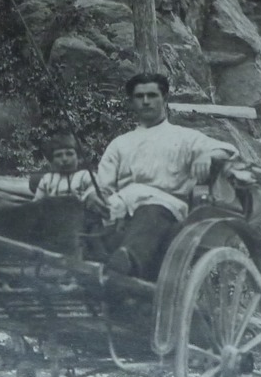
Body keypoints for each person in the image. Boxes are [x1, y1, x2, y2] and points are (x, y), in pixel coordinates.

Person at [95, 72, 239, 281]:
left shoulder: (184, 137)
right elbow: (103, 186)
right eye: (139, 96)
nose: (146, 101)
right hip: (121, 210)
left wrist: (206, 155)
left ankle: (127, 263)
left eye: (152, 95)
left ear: (164, 98)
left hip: (164, 210)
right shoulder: (120, 143)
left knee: (150, 211)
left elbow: (227, 150)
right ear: (131, 102)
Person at [28, 132, 100, 202]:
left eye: (69, 154)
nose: (64, 159)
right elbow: (37, 203)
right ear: (52, 160)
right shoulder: (47, 179)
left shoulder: (86, 176)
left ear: (78, 157)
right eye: (58, 155)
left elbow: (95, 198)